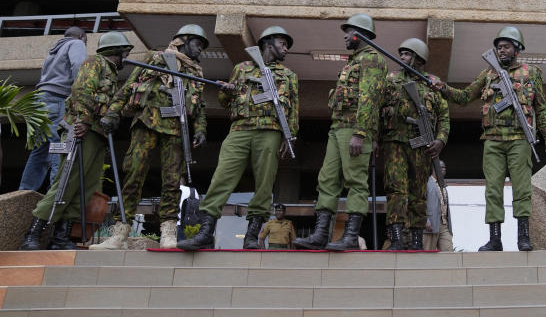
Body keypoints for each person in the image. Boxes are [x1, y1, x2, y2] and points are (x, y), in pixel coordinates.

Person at [432, 26, 546, 251]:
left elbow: (541, 107)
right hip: (493, 140)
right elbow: (465, 96)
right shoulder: (488, 74)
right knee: (493, 190)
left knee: (522, 189)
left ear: (517, 49)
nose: (501, 50)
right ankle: (495, 239)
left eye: (506, 46)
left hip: (519, 138)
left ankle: (523, 237)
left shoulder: (532, 72)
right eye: (499, 47)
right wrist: (443, 88)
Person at [178, 26, 298, 251]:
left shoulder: (289, 75)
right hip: (239, 130)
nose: (286, 49)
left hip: (270, 131)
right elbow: (225, 101)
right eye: (282, 44)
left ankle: (252, 235)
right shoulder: (241, 69)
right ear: (267, 43)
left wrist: (289, 137)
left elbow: (294, 110)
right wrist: (227, 90)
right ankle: (206, 231)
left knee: (264, 184)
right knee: (222, 178)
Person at [96, 24, 209, 250]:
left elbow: (199, 105)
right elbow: (129, 87)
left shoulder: (195, 72)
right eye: (198, 44)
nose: (200, 50)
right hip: (147, 122)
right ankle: (120, 233)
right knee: (134, 174)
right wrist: (112, 112)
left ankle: (168, 232)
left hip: (176, 130)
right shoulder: (155, 58)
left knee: (172, 182)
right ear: (183, 40)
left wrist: (200, 128)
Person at [20, 32, 133, 250]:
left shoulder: (109, 72)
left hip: (97, 135)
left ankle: (61, 237)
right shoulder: (95, 62)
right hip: (83, 131)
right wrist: (84, 120)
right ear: (115, 51)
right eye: (123, 53)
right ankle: (33, 233)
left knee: (85, 188)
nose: (125, 58)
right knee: (66, 182)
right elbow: (82, 90)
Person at [296, 14, 386, 251]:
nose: (345, 36)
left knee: (355, 181)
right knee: (326, 180)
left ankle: (351, 237)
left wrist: (361, 133)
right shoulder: (353, 61)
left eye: (348, 32)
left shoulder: (373, 59)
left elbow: (370, 99)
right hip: (337, 128)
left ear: (360, 34)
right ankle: (321, 234)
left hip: (355, 129)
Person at [378, 38, 449, 250]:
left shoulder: (432, 83)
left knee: (419, 193)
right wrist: (374, 139)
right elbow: (377, 110)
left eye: (407, 54)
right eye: (402, 54)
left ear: (419, 58)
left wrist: (440, 140)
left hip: (422, 147)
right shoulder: (390, 79)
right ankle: (397, 237)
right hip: (395, 143)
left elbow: (444, 116)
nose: (402, 58)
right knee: (395, 190)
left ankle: (417, 239)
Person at [19, 26, 88, 192]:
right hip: (57, 99)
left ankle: (24, 192)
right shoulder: (77, 44)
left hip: (40, 101)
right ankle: (55, 193)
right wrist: (81, 94)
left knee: (41, 150)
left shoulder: (53, 51)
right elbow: (78, 66)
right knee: (60, 145)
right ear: (81, 36)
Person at [424, 160, 454, 251]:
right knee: (428, 253)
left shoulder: (443, 185)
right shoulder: (427, 183)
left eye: (444, 167)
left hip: (444, 225)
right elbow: (421, 202)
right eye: (441, 167)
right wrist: (426, 220)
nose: (444, 169)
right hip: (431, 224)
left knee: (448, 251)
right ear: (434, 169)